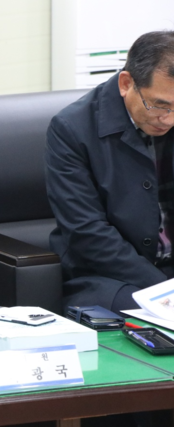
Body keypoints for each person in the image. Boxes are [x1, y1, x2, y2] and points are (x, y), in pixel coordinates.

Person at [46, 30, 174, 313]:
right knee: (153, 317)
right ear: (126, 83)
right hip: (109, 276)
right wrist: (163, 290)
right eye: (159, 106)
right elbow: (87, 232)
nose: (168, 120)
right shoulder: (72, 129)